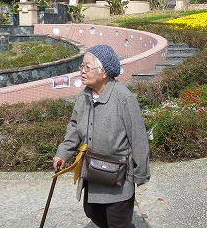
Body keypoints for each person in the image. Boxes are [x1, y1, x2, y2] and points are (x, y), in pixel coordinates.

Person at [53, 44, 150, 228]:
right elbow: (74, 127)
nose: (81, 71)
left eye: (87, 67)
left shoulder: (124, 98)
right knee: (92, 212)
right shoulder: (84, 97)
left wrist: (140, 174)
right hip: (92, 173)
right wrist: (62, 154)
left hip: (119, 177)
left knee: (117, 223)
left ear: (103, 72)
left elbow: (139, 139)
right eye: (82, 66)